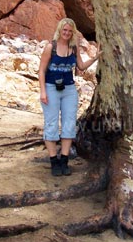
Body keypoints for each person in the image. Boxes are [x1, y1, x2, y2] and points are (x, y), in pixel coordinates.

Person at [38, 18, 100, 176]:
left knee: (69, 124)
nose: (66, 33)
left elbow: (80, 66)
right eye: (64, 30)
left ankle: (64, 160)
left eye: (70, 31)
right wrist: (43, 91)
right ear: (60, 30)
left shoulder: (73, 48)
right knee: (51, 124)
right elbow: (41, 71)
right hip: (51, 88)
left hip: (69, 90)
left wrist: (95, 58)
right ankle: (54, 161)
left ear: (73, 33)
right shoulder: (50, 48)